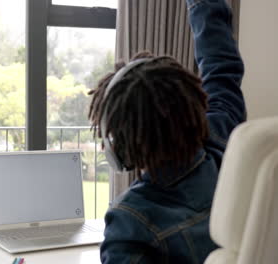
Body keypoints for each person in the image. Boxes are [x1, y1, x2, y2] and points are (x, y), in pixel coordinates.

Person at [88, 0, 245, 263]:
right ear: (192, 104)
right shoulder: (223, 134)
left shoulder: (130, 223)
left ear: (120, 148)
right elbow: (221, 67)